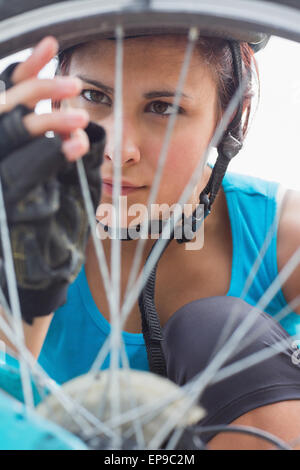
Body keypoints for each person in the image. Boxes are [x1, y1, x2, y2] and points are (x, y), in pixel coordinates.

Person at [1, 33, 300, 450]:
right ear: (58, 101)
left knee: (217, 328)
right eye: (93, 95)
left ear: (230, 119)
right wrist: (19, 288)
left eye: (163, 107)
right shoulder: (14, 220)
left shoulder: (285, 234)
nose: (119, 150)